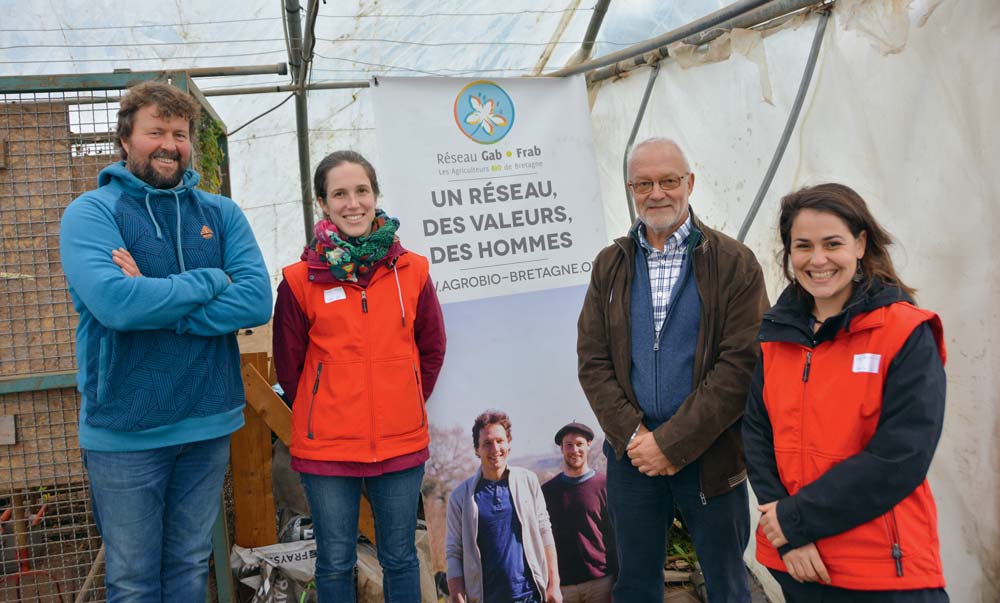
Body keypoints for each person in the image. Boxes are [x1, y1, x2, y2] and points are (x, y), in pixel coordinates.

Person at [58, 81, 272, 602]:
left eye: (179, 133)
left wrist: (155, 303)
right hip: (126, 428)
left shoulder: (220, 215)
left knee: (187, 567)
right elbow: (115, 304)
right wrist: (210, 280)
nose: (169, 144)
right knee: (132, 580)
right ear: (126, 139)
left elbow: (256, 302)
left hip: (206, 418)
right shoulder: (93, 213)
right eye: (156, 131)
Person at [577, 137, 769, 602]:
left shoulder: (733, 263)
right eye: (644, 183)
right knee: (636, 584)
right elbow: (593, 360)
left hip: (711, 455)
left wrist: (672, 442)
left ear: (690, 183)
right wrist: (635, 437)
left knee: (727, 583)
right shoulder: (611, 264)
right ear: (630, 189)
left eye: (669, 180)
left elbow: (741, 365)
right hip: (633, 456)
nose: (656, 193)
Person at [742, 183, 949, 602]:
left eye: (832, 243)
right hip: (798, 562)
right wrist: (789, 536)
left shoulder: (905, 331)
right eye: (803, 246)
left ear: (860, 243)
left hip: (880, 568)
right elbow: (757, 434)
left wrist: (796, 520)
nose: (817, 260)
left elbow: (901, 456)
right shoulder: (776, 335)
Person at [272, 150, 446, 603]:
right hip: (328, 447)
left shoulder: (414, 271)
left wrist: (403, 397)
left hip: (400, 442)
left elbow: (432, 347)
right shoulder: (298, 280)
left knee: (401, 557)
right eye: (340, 193)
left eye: (361, 190)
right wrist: (324, 405)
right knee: (334, 561)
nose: (353, 203)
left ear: (375, 195)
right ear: (322, 203)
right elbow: (289, 368)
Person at [445, 410, 562, 603]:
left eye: (500, 441)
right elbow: (453, 552)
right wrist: (457, 597)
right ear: (477, 449)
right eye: (487, 443)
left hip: (531, 596)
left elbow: (544, 532)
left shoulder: (528, 481)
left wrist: (554, 585)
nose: (495, 449)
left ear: (509, 443)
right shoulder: (460, 498)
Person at [541, 422, 615, 603]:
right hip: (564, 588)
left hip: (601, 582)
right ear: (561, 449)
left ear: (589, 445)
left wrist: (617, 578)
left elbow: (615, 535)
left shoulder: (604, 486)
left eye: (579, 444)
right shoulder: (548, 492)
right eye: (569, 445)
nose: (574, 450)